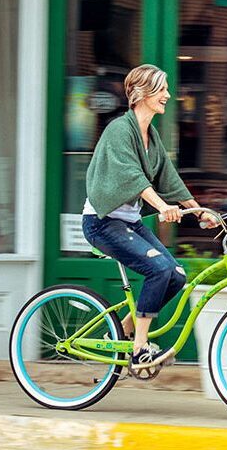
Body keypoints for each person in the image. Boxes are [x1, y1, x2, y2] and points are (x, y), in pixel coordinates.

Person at [81, 64, 218, 366]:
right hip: (102, 223)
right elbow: (132, 175)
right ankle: (139, 347)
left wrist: (198, 212)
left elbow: (168, 179)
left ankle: (124, 331)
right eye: (162, 89)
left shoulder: (150, 135)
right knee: (157, 270)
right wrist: (161, 207)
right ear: (142, 93)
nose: (168, 95)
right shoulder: (119, 129)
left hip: (127, 222)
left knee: (176, 275)